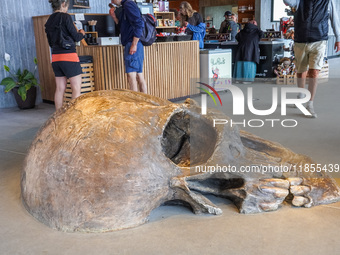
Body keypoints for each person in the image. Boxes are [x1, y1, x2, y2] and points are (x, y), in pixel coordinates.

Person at [283, 0, 340, 118]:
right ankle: (301, 95)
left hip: (319, 40)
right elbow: (287, 1)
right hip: (301, 40)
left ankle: (310, 103)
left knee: (314, 72)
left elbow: (334, 18)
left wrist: (338, 37)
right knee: (301, 71)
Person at [45, 0, 85, 111]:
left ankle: (58, 117)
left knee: (59, 89)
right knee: (76, 88)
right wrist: (82, 33)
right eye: (67, 6)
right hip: (69, 57)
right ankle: (72, 117)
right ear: (63, 4)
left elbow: (50, 42)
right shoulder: (65, 17)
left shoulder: (49, 20)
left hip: (55, 58)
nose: (67, 8)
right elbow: (76, 37)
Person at [109, 0, 147, 93]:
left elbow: (139, 24)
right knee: (139, 75)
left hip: (132, 43)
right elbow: (123, 27)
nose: (112, 1)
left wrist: (134, 44)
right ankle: (145, 103)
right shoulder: (125, 6)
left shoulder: (128, 4)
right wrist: (114, 17)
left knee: (131, 76)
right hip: (134, 43)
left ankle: (135, 104)